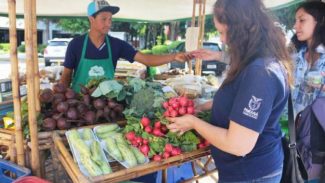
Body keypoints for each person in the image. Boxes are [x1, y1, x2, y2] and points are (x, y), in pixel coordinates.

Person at [167, 0, 293, 182]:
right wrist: (204, 106)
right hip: (242, 170)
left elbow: (238, 145)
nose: (222, 39)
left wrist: (194, 122)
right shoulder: (257, 60)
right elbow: (238, 99)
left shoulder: (260, 73)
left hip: (251, 174)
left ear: (241, 29)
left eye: (222, 32)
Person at [60, 0, 192, 92]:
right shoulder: (76, 45)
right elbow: (66, 76)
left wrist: (174, 56)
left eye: (110, 19)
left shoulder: (116, 45)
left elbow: (147, 59)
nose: (108, 23)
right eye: (104, 19)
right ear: (91, 19)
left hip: (106, 104)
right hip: (79, 103)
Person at [291, 1, 325, 116]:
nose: (295, 26)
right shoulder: (296, 57)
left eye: (302, 20)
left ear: (320, 21)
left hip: (320, 127)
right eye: (295, 21)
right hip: (296, 127)